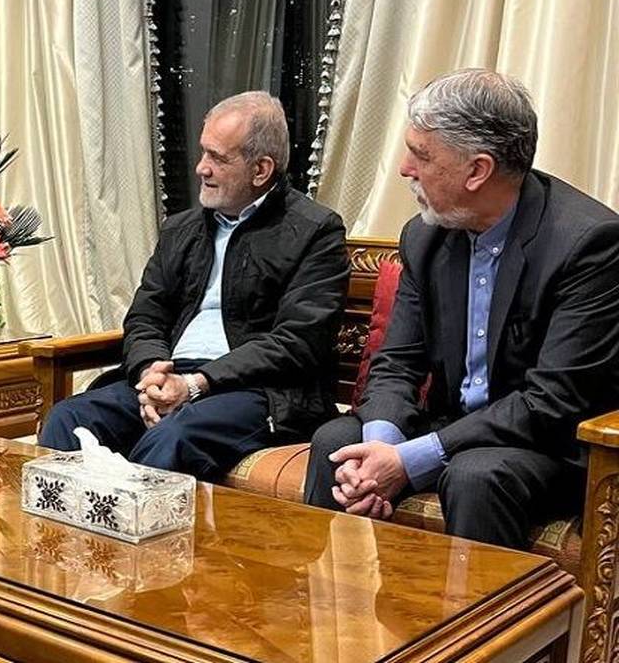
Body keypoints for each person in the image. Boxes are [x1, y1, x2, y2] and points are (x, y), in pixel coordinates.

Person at [304, 69, 619, 549]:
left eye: (421, 155)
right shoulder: (425, 236)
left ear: (477, 170)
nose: (404, 168)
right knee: (337, 443)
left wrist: (409, 459)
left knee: (476, 475)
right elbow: (397, 363)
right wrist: (383, 445)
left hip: (545, 442)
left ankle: (487, 604)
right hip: (452, 424)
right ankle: (334, 594)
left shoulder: (588, 244)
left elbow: (551, 401)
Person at [39, 91, 350, 481]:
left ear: (261, 169)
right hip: (171, 376)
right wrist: (151, 372)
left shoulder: (315, 231)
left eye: (218, 158)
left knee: (173, 437)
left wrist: (196, 384)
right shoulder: (182, 229)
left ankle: (128, 522)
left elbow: (297, 341)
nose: (202, 168)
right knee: (69, 419)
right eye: (203, 152)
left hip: (259, 392)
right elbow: (146, 315)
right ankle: (71, 524)